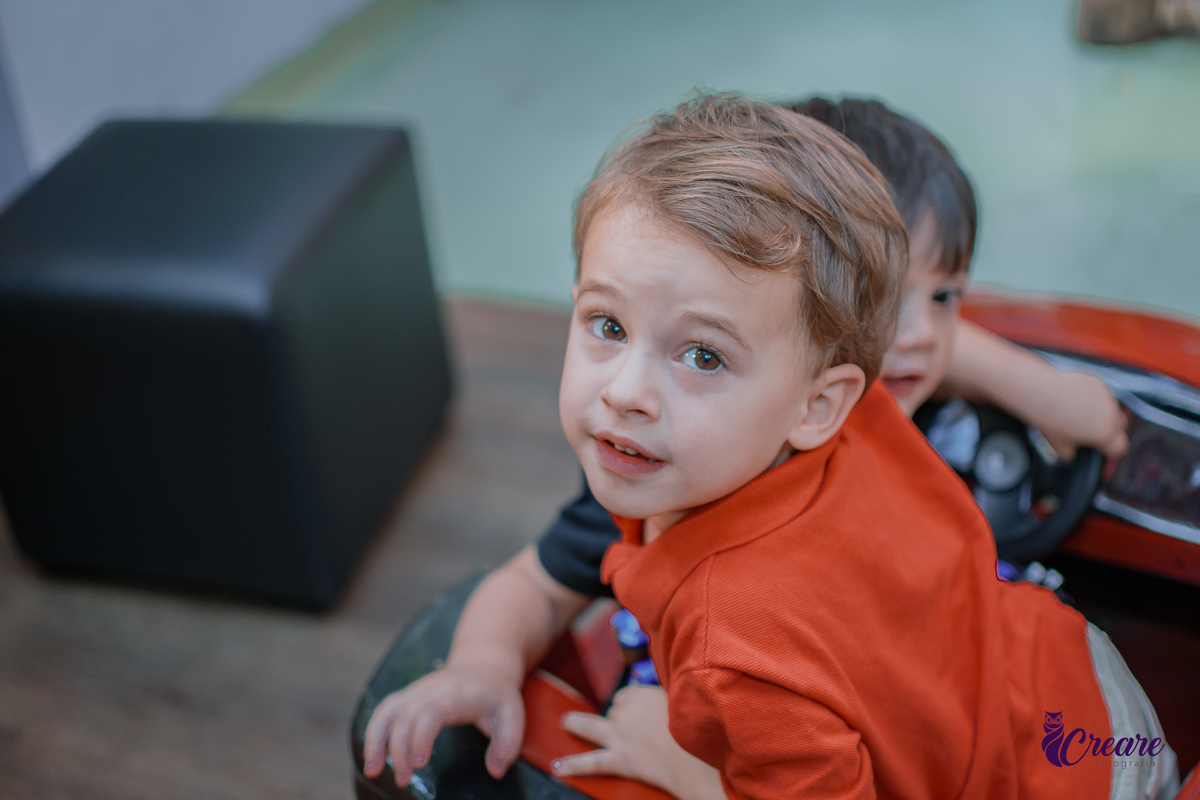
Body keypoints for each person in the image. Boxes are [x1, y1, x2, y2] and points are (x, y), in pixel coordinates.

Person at [363, 95, 1173, 798]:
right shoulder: (843, 407)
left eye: (704, 355)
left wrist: (688, 772)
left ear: (822, 403)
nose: (626, 392)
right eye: (607, 325)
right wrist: (478, 666)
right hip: (1070, 676)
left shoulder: (734, 655)